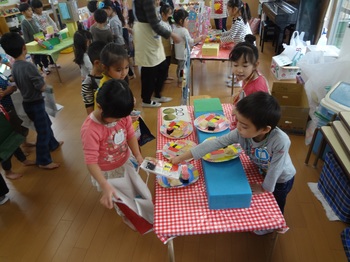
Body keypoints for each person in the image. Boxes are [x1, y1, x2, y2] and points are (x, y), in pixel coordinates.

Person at [171, 92, 296, 222]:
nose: (238, 128)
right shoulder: (240, 133)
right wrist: (182, 157)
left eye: (244, 126)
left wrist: (265, 188)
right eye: (238, 122)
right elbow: (216, 143)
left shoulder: (280, 141)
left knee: (276, 201)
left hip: (282, 178)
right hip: (263, 168)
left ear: (265, 129)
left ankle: (275, 223)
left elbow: (276, 169)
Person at [80, 79, 152, 230]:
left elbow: (130, 135)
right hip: (108, 171)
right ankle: (128, 215)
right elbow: (91, 161)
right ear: (100, 107)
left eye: (122, 118)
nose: (120, 121)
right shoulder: (90, 130)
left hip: (125, 160)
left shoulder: (121, 115)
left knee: (134, 188)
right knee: (122, 198)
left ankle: (139, 209)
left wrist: (138, 155)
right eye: (116, 118)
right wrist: (104, 185)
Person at [0, 32, 62, 170]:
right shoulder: (29, 66)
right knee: (43, 132)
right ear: (24, 47)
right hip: (36, 103)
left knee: (45, 123)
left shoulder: (14, 66)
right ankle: (44, 160)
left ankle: (53, 144)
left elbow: (15, 81)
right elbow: (41, 87)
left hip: (28, 103)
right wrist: (44, 78)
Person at [133, 0, 181, 107]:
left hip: (151, 35)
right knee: (149, 70)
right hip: (146, 35)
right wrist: (171, 35)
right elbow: (154, 23)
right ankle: (146, 100)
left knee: (163, 67)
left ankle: (157, 95)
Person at [0, 61, 36, 179]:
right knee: (8, 141)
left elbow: (8, 84)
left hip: (8, 109)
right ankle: (8, 171)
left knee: (15, 135)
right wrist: (6, 91)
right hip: (3, 114)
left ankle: (23, 159)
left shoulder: (1, 72)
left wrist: (9, 88)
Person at [173, 9, 206, 84]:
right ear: (181, 21)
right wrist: (200, 38)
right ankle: (181, 81)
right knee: (183, 68)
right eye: (187, 19)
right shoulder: (184, 30)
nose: (188, 21)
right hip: (183, 54)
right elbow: (191, 42)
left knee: (180, 67)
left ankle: (180, 79)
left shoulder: (175, 29)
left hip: (178, 53)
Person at [18, 3, 51, 74]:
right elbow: (25, 35)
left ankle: (46, 67)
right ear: (23, 13)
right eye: (28, 11)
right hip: (32, 43)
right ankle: (40, 69)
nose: (31, 12)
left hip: (40, 40)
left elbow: (38, 27)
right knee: (37, 58)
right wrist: (28, 45)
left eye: (31, 10)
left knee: (44, 55)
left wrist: (43, 31)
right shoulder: (24, 23)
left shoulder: (33, 18)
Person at [31, 0, 60, 69]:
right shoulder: (34, 16)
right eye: (38, 8)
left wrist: (55, 28)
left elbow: (51, 21)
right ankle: (46, 66)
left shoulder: (45, 13)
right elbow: (37, 26)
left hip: (50, 33)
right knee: (44, 51)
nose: (41, 9)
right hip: (42, 36)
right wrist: (43, 31)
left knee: (51, 48)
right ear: (34, 9)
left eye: (41, 7)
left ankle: (53, 63)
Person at [81, 41, 106, 115]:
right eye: (107, 62)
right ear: (97, 63)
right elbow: (90, 112)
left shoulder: (109, 75)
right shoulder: (88, 84)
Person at [160, 3, 174, 84]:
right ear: (163, 14)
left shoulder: (168, 22)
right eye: (169, 13)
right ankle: (163, 78)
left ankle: (166, 76)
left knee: (168, 61)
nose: (170, 15)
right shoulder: (161, 24)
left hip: (168, 45)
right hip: (164, 46)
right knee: (164, 63)